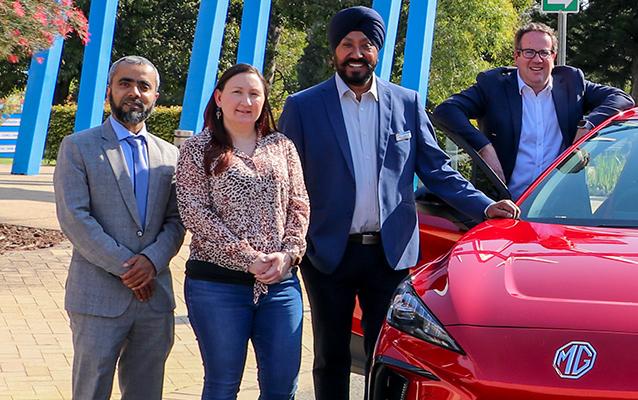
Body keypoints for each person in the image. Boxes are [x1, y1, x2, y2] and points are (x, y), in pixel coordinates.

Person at [277, 7, 520, 399]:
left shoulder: (406, 102)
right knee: (331, 356)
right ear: (334, 52)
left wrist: (485, 206)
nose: (356, 53)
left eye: (366, 45)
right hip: (327, 255)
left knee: (387, 355)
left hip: (390, 256)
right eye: (347, 45)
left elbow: (438, 170)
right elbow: (285, 181)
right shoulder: (303, 107)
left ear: (378, 52)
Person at [54, 55, 185, 400]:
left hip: (154, 299)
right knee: (91, 392)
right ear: (109, 90)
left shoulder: (171, 155)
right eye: (125, 83)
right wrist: (130, 270)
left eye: (144, 86)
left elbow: (176, 220)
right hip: (97, 297)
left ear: (156, 95)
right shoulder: (78, 147)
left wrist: (151, 263)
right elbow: (75, 218)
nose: (134, 92)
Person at [175, 63, 309, 400]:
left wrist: (289, 253)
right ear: (219, 97)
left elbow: (300, 203)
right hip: (217, 286)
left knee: (282, 386)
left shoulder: (282, 146)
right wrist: (247, 257)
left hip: (280, 285)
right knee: (222, 386)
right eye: (237, 92)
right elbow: (194, 212)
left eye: (254, 94)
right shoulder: (197, 149)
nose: (245, 101)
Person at [433, 22, 634, 198]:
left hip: (559, 207)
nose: (537, 60)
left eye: (544, 52)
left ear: (553, 56)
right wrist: (484, 147)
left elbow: (621, 98)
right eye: (529, 52)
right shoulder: (493, 85)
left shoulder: (571, 83)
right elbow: (447, 110)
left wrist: (587, 126)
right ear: (516, 56)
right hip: (503, 204)